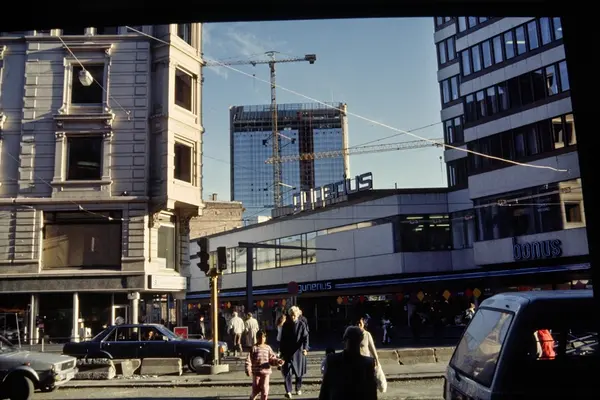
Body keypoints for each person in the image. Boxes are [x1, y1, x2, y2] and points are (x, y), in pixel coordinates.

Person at [319, 326, 378, 400]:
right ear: (360, 340)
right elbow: (372, 393)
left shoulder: (332, 360)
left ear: (345, 340)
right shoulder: (368, 363)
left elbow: (325, 390)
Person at [279, 306, 309, 399]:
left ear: (297, 315)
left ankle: (298, 387)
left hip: (298, 352)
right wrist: (281, 352)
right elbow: (282, 339)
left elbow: (305, 337)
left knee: (298, 372)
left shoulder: (301, 324)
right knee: (287, 372)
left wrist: (305, 349)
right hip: (287, 352)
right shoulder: (286, 325)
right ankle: (288, 391)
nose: (292, 317)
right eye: (291, 315)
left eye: (294, 315)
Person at [245, 330, 284, 400]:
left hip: (266, 372)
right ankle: (252, 397)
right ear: (257, 338)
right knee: (256, 390)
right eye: (260, 337)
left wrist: (278, 361)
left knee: (265, 390)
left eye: (263, 337)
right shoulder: (254, 348)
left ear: (265, 338)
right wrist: (248, 369)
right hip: (256, 373)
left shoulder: (268, 348)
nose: (262, 339)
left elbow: (272, 359)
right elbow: (249, 360)